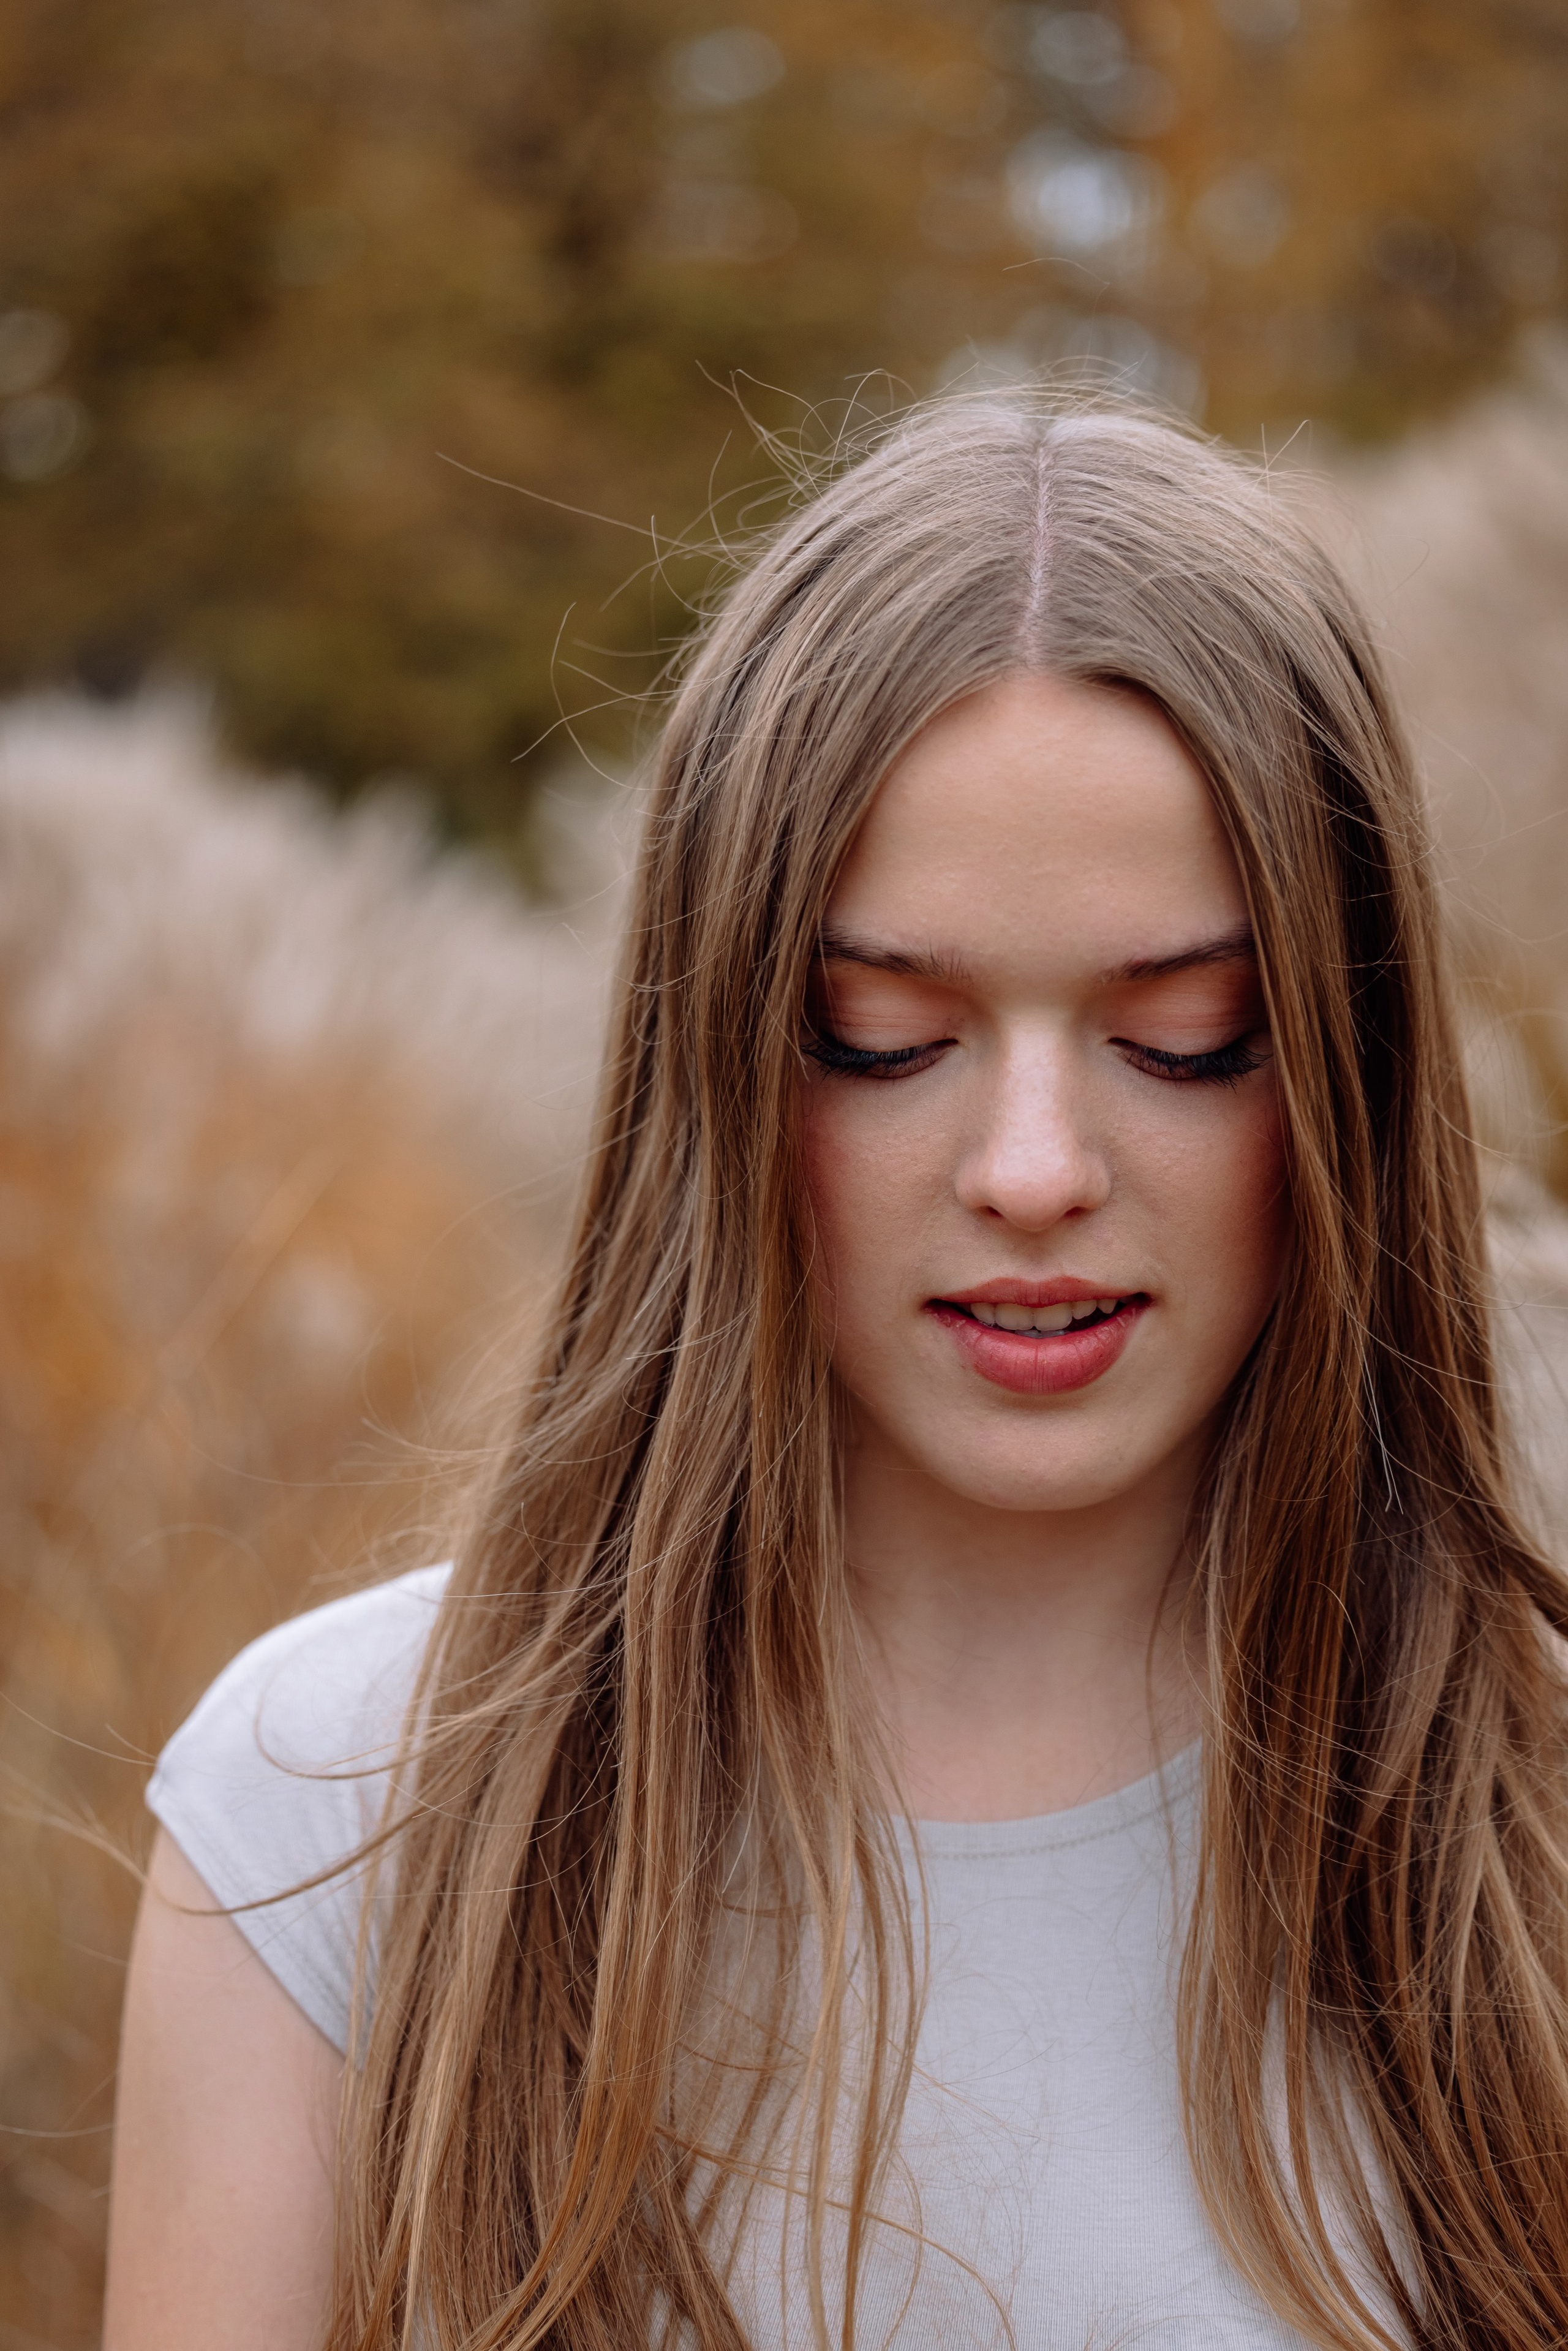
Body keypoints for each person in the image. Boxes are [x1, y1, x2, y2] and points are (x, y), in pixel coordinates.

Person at [104, 396, 1568, 2351]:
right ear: (712, 1062)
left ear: (1350, 1073)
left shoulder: (1532, 1850)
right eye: (884, 1036)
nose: (1033, 1169)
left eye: (1188, 1035)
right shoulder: (327, 1821)